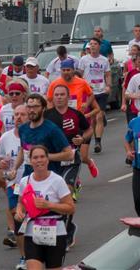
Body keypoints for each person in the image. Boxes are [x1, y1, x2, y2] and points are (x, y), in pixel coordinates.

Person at [44, 84, 91, 249]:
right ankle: (69, 226)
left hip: (72, 159)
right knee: (56, 196)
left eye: (62, 94)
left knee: (67, 191)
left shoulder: (76, 114)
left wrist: (82, 139)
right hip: (53, 160)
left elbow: (88, 129)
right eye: (56, 95)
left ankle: (64, 231)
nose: (58, 97)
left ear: (68, 96)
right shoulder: (47, 115)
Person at [14, 146, 75, 270]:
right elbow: (20, 202)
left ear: (47, 160)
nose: (39, 160)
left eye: (42, 157)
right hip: (32, 232)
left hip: (56, 232)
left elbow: (71, 208)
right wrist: (19, 211)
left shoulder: (57, 181)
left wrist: (49, 205)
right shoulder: (25, 181)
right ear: (30, 161)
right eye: (35, 157)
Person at [0, 105, 28, 260]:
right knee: (17, 216)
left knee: (32, 218)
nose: (18, 118)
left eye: (22, 114)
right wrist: (0, 163)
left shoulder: (33, 135)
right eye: (16, 115)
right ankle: (24, 256)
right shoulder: (6, 137)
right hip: (13, 183)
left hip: (33, 182)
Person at [14, 95, 73, 179]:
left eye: (35, 107)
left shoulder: (52, 129)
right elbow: (22, 151)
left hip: (49, 178)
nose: (31, 110)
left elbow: (69, 155)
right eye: (29, 107)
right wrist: (14, 169)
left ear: (43, 108)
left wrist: (43, 157)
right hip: (28, 176)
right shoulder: (22, 129)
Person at [78, 39, 111, 152]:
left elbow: (107, 75)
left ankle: (98, 142)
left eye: (95, 44)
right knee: (92, 118)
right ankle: (89, 139)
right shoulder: (84, 59)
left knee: (99, 116)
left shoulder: (104, 60)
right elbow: (79, 75)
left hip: (101, 91)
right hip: (88, 93)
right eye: (91, 44)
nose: (92, 46)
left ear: (99, 46)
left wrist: (108, 86)